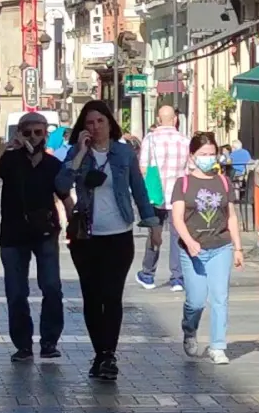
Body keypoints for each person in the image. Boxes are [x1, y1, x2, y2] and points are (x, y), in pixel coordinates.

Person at [55, 100, 160, 381]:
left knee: (112, 296)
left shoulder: (123, 153)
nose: (95, 127)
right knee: (91, 296)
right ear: (82, 128)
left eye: (100, 121)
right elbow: (61, 185)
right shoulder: (76, 153)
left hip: (118, 234)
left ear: (109, 123)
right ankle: (99, 353)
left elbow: (138, 189)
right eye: (89, 123)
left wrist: (153, 224)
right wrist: (79, 153)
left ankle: (109, 355)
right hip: (86, 236)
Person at [0, 112, 67, 363]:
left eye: (39, 132)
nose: (34, 137)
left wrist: (74, 224)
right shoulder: (10, 159)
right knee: (16, 292)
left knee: (51, 287)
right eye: (28, 132)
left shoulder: (52, 164)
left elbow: (64, 195)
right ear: (20, 133)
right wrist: (6, 146)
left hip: (45, 233)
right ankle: (23, 345)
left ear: (45, 135)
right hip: (13, 235)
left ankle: (49, 342)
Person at [170, 132, 244, 364]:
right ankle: (189, 328)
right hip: (193, 250)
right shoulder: (183, 184)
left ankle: (217, 346)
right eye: (203, 154)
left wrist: (238, 248)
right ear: (192, 156)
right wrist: (190, 242)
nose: (208, 158)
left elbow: (231, 216)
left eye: (212, 154)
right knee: (196, 300)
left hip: (220, 245)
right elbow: (177, 218)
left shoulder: (223, 182)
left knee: (220, 297)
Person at [136, 105, 190, 292]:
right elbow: (189, 168)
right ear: (175, 119)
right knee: (178, 236)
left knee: (155, 234)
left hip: (155, 195)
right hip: (178, 196)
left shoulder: (150, 139)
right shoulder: (184, 140)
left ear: (158, 120)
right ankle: (177, 278)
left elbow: (143, 168)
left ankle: (148, 274)